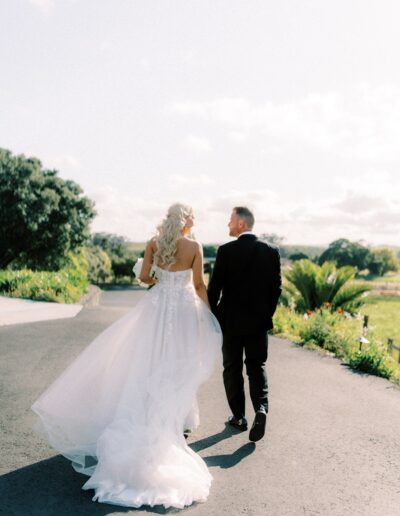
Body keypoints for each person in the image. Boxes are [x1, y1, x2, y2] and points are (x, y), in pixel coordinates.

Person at [31, 203, 222, 509]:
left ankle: (147, 411)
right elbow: (199, 284)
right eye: (193, 215)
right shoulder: (194, 245)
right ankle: (172, 415)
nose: (195, 220)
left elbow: (145, 277)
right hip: (184, 312)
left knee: (146, 362)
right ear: (186, 219)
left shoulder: (154, 243)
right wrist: (209, 313)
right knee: (178, 364)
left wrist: (162, 281)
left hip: (156, 309)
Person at [207, 207, 281, 442]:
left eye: (230, 220)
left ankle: (238, 417)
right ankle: (261, 408)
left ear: (240, 223)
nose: (228, 224)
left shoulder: (226, 251)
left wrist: (214, 317)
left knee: (232, 368)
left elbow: (214, 289)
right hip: (258, 322)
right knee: (257, 366)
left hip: (230, 322)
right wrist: (265, 315)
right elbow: (275, 289)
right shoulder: (271, 251)